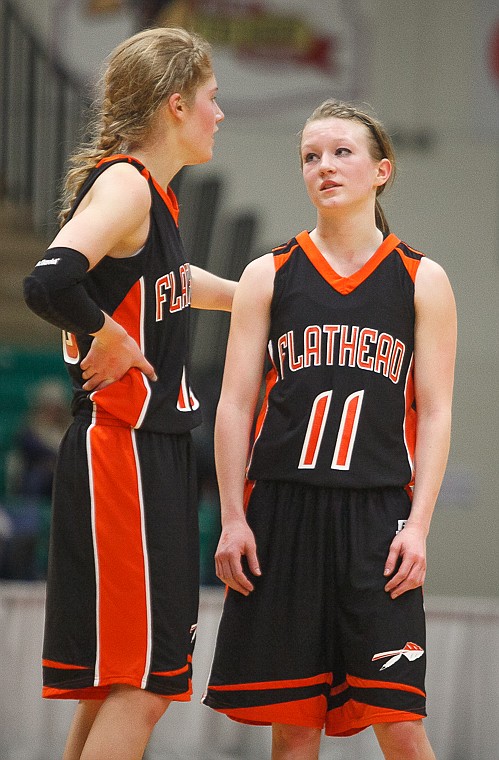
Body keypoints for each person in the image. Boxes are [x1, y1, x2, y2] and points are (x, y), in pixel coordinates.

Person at [202, 100, 457, 760]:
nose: (324, 166)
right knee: (294, 725)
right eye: (310, 156)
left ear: (381, 170)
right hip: (281, 512)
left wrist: (419, 527)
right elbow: (233, 406)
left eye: (341, 152)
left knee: (399, 721)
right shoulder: (269, 273)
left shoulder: (420, 279)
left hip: (377, 517)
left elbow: (434, 413)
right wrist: (232, 517)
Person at [23, 26, 234, 760]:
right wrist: (104, 334)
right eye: (211, 98)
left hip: (147, 453)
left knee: (123, 682)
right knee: (143, 686)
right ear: (176, 104)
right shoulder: (124, 184)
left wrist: (259, 297)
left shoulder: (153, 200)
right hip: (123, 449)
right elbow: (49, 279)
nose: (218, 113)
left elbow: (173, 286)